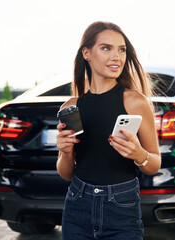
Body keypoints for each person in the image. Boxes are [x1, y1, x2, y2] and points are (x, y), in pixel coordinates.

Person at [56, 21, 161, 240]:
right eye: (106, 48)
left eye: (121, 50)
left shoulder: (134, 102)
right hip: (77, 205)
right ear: (87, 53)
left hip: (122, 209)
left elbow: (154, 164)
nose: (117, 57)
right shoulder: (71, 107)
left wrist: (138, 154)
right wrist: (65, 152)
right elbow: (66, 173)